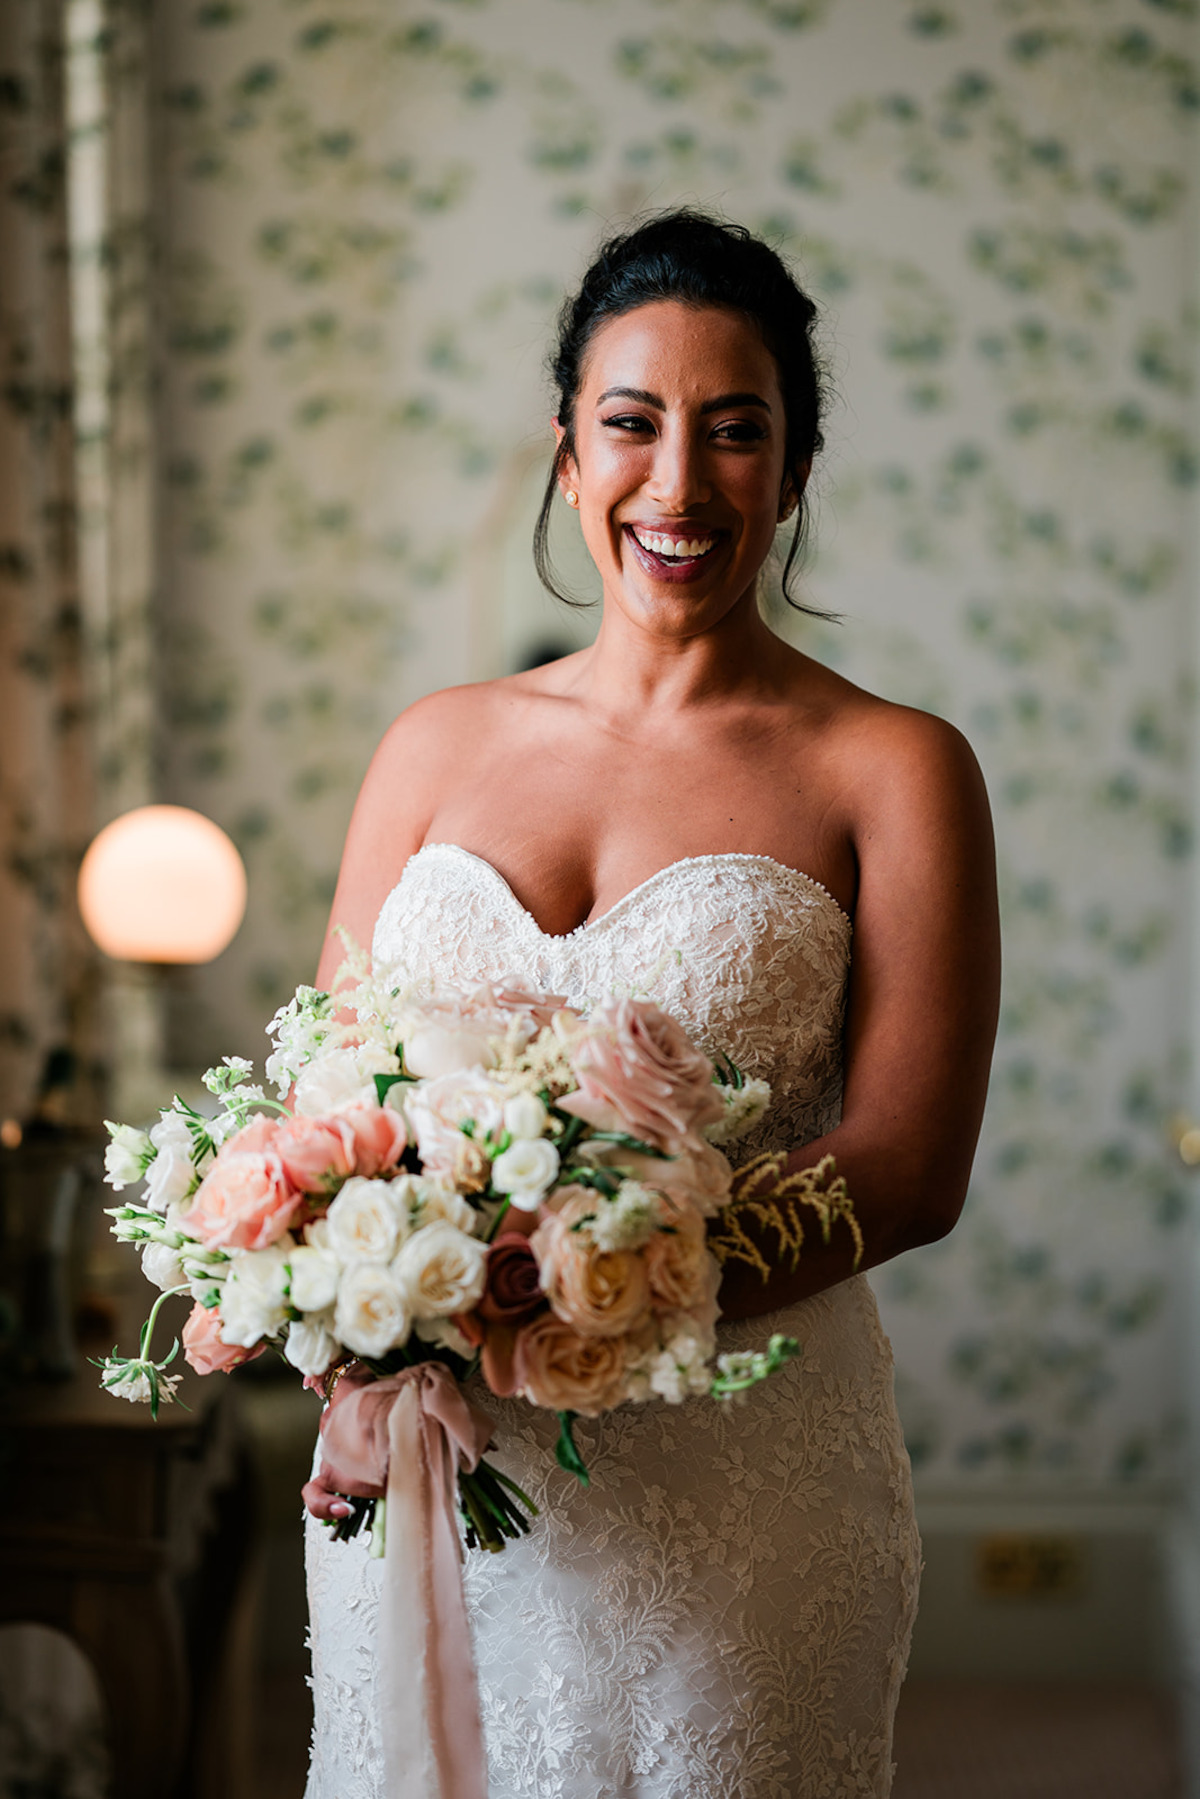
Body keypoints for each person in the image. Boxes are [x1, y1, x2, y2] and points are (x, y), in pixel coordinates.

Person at [302, 210, 1000, 1799]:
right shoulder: (431, 747)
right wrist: (353, 1318)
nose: (678, 484)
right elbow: (332, 1099)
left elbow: (910, 1163)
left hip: (742, 1492)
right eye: (633, 424)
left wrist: (578, 1300)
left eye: (735, 431)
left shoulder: (891, 769)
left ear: (796, 472)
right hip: (438, 1470)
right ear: (567, 456)